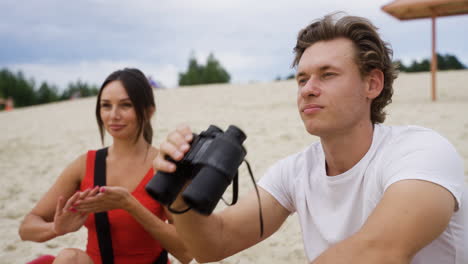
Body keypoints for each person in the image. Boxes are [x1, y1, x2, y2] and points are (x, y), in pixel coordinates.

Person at [153, 13, 467, 264]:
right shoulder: (295, 171)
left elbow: (380, 252)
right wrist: (180, 190)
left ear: (372, 84)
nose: (307, 88)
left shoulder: (421, 151)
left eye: (327, 75)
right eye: (302, 78)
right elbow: (214, 244)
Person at [19, 68, 193, 264]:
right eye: (106, 106)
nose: (113, 115)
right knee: (69, 257)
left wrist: (130, 205)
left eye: (125, 105)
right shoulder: (85, 165)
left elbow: (186, 252)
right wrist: (55, 229)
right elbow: (27, 227)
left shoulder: (164, 167)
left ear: (148, 111)